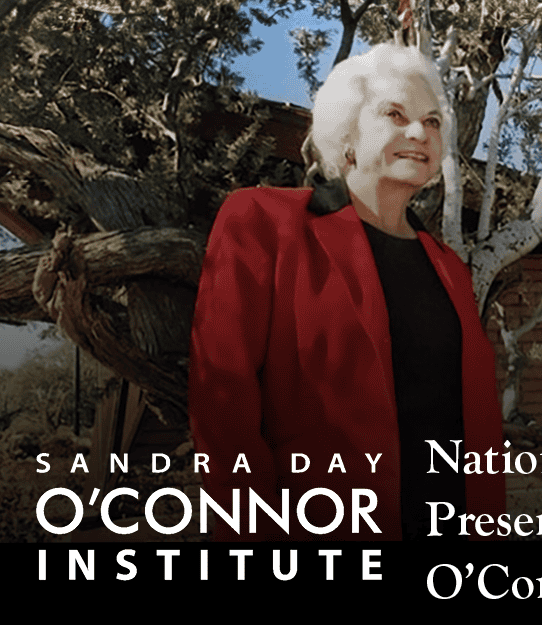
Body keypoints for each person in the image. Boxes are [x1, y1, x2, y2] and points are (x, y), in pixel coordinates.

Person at [188, 43, 505, 541]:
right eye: (395, 114)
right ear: (348, 132)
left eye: (433, 121)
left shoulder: (448, 269)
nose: (419, 132)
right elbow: (222, 406)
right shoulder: (262, 223)